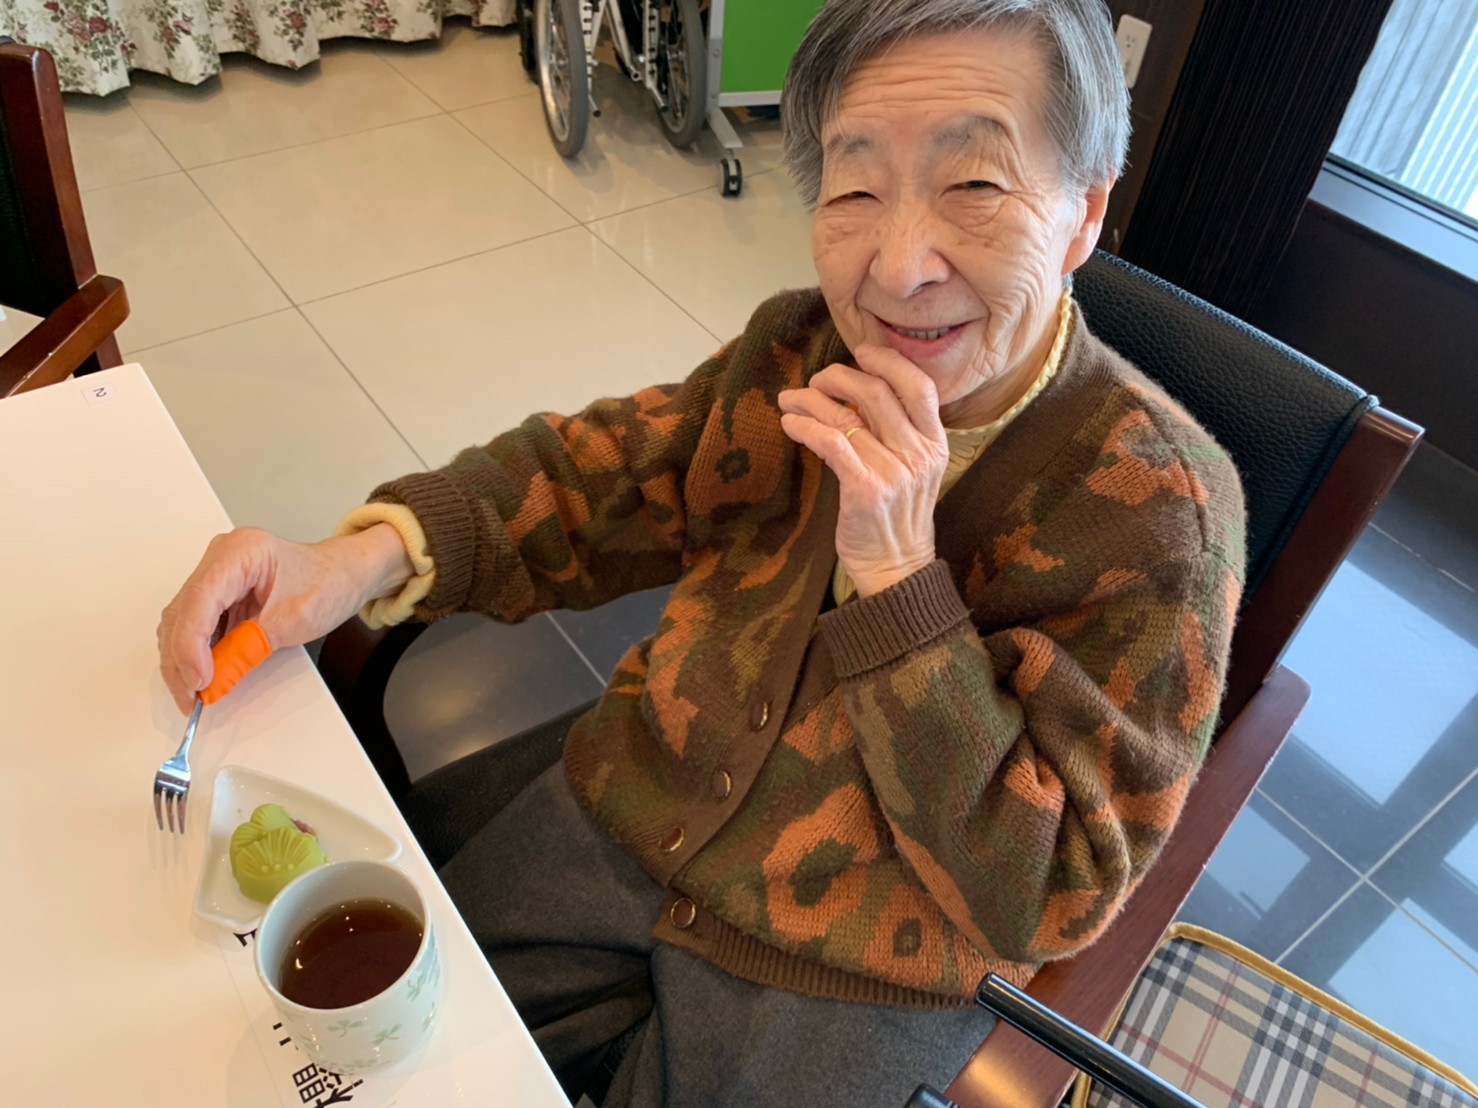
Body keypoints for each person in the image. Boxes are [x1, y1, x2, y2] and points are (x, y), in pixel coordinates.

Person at [158, 0, 1245, 1103]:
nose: (899, 265)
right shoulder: (796, 349)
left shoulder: (1161, 515)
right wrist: (359, 559)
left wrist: (898, 581)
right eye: (854, 189)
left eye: (973, 184)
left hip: (854, 966)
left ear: (1082, 211)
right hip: (632, 809)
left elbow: (1046, 892)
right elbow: (613, 470)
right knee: (332, 1057)